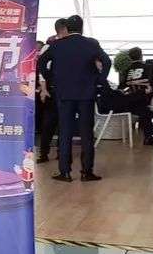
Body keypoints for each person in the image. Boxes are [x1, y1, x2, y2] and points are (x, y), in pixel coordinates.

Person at [37, 15, 110, 182]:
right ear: (82, 28)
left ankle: (65, 172)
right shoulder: (91, 44)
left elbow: (41, 63)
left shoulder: (57, 45)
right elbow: (106, 62)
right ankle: (87, 171)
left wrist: (52, 78)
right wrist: (99, 80)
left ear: (67, 29)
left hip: (64, 94)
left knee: (65, 132)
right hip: (86, 94)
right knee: (87, 133)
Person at [36, 18, 68, 163]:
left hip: (61, 90)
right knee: (49, 123)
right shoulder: (50, 46)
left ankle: (61, 152)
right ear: (64, 29)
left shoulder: (64, 45)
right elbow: (42, 71)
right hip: (53, 91)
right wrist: (44, 89)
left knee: (63, 124)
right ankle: (44, 153)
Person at [119, 47, 153, 145]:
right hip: (144, 100)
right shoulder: (148, 67)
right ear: (141, 56)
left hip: (129, 102)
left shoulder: (125, 70)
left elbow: (121, 87)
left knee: (141, 106)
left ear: (129, 57)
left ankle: (144, 127)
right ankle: (148, 137)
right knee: (147, 108)